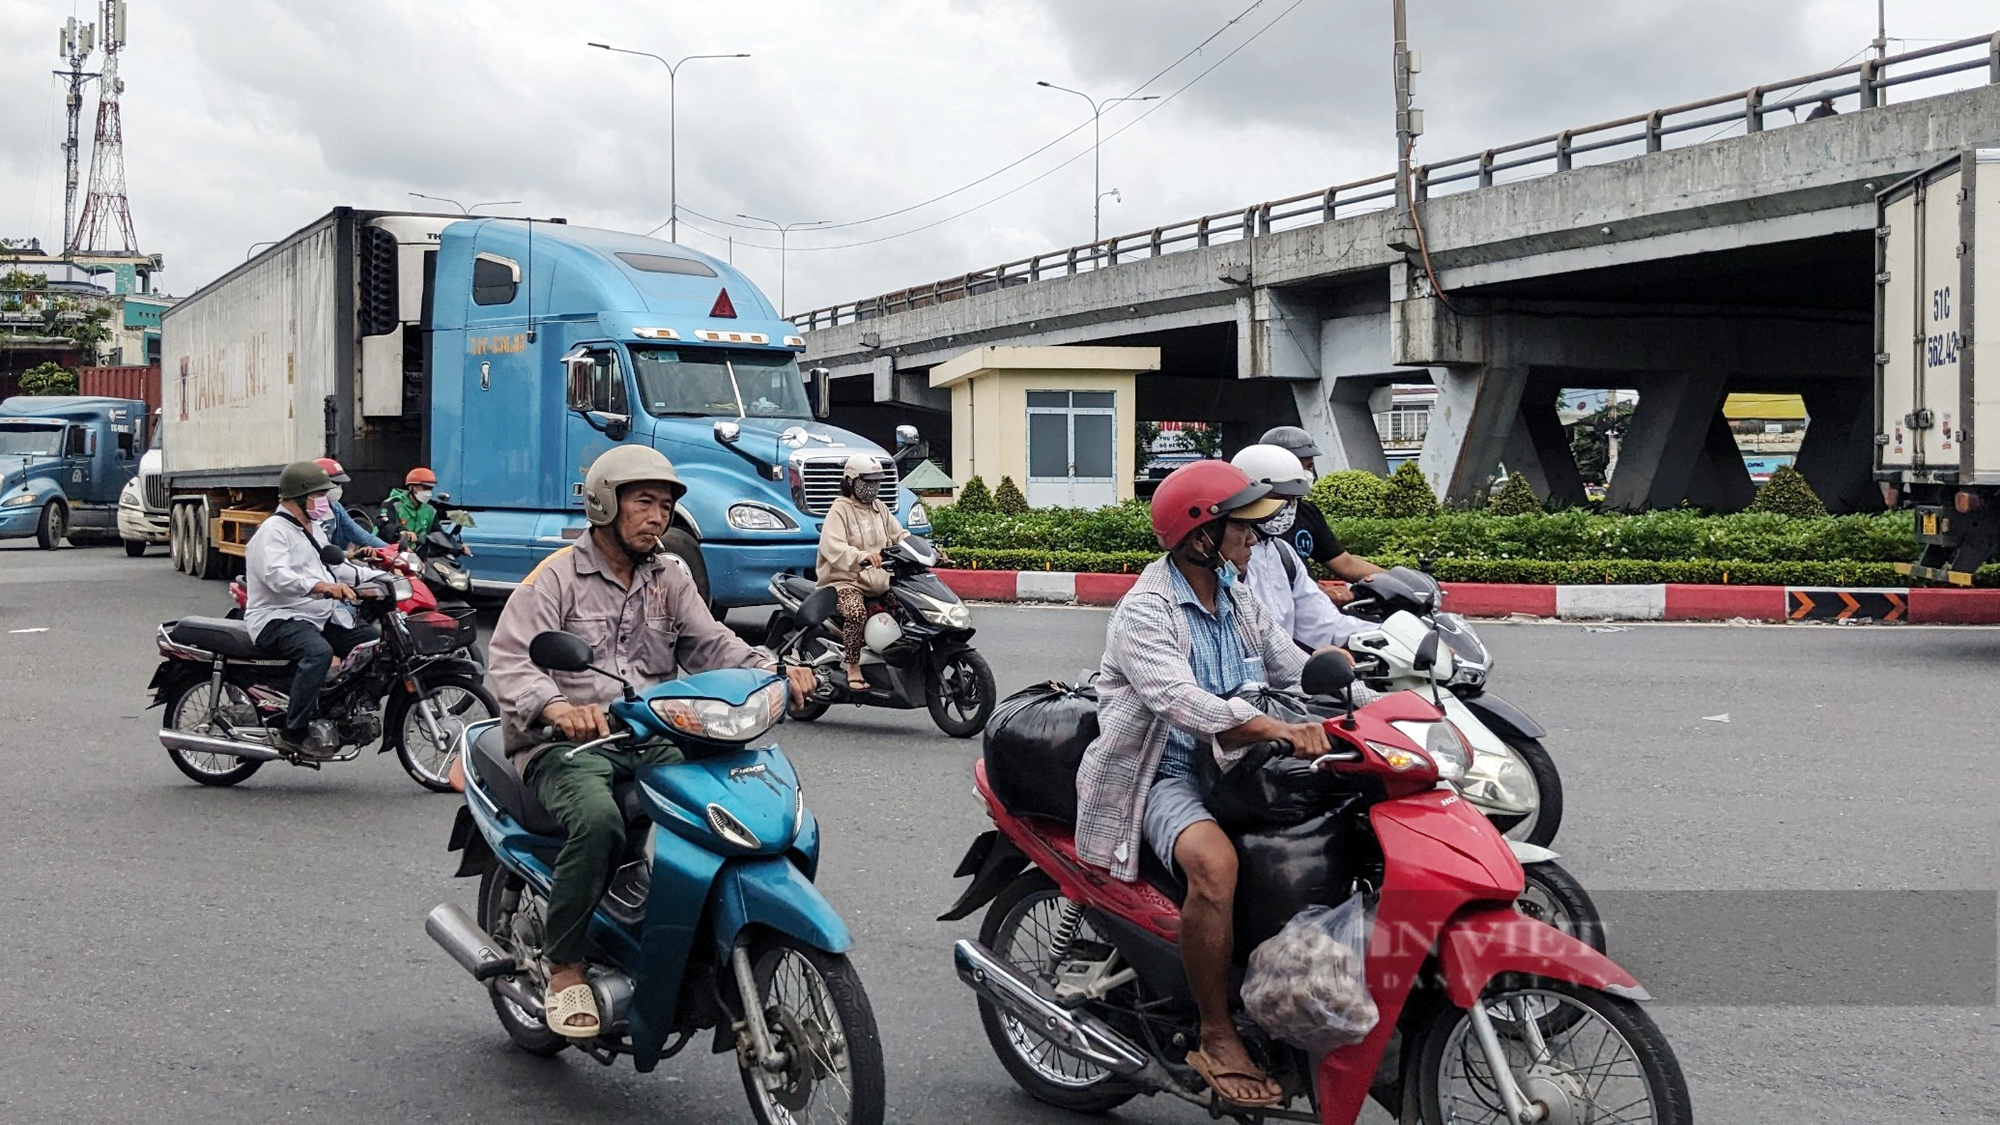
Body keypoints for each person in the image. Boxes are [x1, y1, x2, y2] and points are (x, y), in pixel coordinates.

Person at [487, 444, 817, 1040]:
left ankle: (672, 936)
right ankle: (565, 966)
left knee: (714, 809)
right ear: (605, 503)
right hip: (565, 746)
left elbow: (711, 644)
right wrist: (560, 707)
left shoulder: (671, 576)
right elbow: (511, 659)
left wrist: (773, 670)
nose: (657, 516)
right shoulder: (557, 575)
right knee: (598, 820)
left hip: (649, 736)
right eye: (644, 502)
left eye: (665, 505)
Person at [1074, 460, 1339, 1110]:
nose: (1254, 539)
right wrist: (1269, 724)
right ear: (1200, 535)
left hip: (1237, 769)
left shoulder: (1235, 590)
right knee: (1214, 866)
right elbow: (1181, 701)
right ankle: (1216, 1031)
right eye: (1241, 527)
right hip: (1162, 773)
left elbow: (1291, 661)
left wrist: (1364, 691)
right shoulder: (1145, 610)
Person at [243, 461, 379, 758]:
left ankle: (338, 706)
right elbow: (276, 576)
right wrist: (321, 587)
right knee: (317, 653)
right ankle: (295, 731)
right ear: (299, 497)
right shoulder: (273, 532)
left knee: (371, 641)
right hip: (276, 617)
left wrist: (383, 576)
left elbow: (337, 568)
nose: (324, 501)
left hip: (313, 616)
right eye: (318, 494)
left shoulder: (312, 529)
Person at [1231, 444, 1364, 651]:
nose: (1288, 507)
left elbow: (1323, 624)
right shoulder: (1224, 560)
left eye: (1293, 499)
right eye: (1279, 498)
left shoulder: (1283, 554)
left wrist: (1388, 634)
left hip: (1285, 673)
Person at [1259, 425, 1387, 603]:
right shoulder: (1251, 519)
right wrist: (1320, 591)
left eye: (1309, 466)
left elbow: (1343, 563)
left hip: (1309, 609)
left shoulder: (1306, 512)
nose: (1306, 473)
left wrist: (1395, 579)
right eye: (1298, 465)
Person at [815, 453, 908, 691]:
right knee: (856, 614)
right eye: (867, 482)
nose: (873, 487)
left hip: (878, 582)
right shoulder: (840, 510)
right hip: (845, 582)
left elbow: (900, 536)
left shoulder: (880, 508)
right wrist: (861, 556)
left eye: (877, 482)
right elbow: (832, 546)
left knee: (907, 609)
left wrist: (925, 549)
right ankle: (852, 665)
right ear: (851, 481)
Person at [313, 457, 387, 553]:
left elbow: (364, 537)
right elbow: (312, 549)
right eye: (334, 483)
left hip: (336, 562)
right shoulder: (303, 512)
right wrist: (348, 555)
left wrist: (392, 550)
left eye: (340, 484)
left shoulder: (336, 508)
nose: (337, 488)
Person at [379, 467, 440, 547]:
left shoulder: (430, 511)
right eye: (424, 488)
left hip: (417, 556)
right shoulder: (393, 504)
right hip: (393, 552)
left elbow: (438, 535)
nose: (428, 492)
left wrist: (457, 546)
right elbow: (384, 526)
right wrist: (400, 532)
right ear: (411, 487)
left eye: (430, 488)